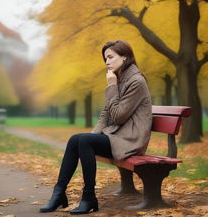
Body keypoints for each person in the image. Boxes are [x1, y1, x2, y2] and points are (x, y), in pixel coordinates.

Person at [39, 40, 152, 214]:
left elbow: (119, 116)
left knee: (84, 141)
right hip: (117, 137)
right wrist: (91, 138)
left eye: (110, 57)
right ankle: (59, 193)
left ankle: (89, 196)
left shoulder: (136, 81)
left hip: (131, 140)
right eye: (105, 58)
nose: (106, 62)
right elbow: (106, 114)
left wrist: (112, 86)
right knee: (76, 139)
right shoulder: (119, 78)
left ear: (125, 58)